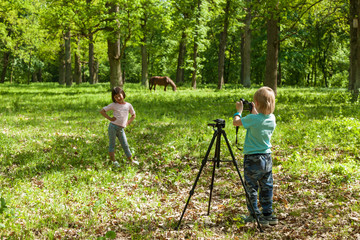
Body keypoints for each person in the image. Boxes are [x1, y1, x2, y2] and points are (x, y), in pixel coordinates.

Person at [233, 86, 278, 227]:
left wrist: (238, 111)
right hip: (267, 158)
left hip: (253, 159)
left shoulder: (252, 118)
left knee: (251, 187)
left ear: (256, 103)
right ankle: (268, 214)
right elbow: (260, 119)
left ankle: (254, 215)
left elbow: (236, 122)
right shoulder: (271, 118)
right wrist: (255, 111)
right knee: (266, 186)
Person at [100, 87, 138, 167]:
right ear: (113, 98)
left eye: (119, 96)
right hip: (113, 127)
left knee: (125, 145)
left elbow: (133, 115)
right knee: (112, 144)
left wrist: (127, 123)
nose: (118, 98)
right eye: (116, 97)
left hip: (121, 129)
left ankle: (131, 160)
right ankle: (113, 161)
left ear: (123, 94)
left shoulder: (128, 105)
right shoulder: (114, 105)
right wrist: (110, 118)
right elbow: (102, 111)